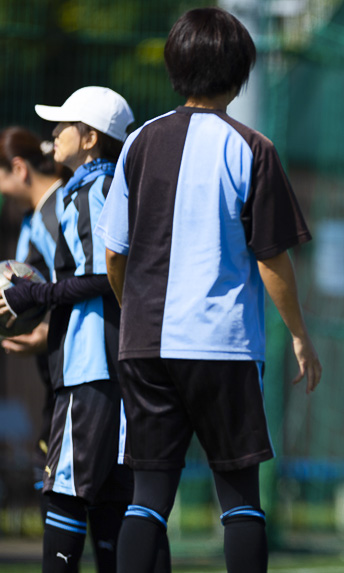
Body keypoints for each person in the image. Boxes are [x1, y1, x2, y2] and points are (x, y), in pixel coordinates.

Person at [94, 7, 322, 573]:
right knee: (240, 498)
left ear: (175, 66)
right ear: (240, 74)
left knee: (147, 497)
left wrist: (137, 314)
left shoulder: (139, 142)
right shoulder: (252, 148)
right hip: (221, 346)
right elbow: (272, 260)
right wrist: (298, 334)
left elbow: (114, 253)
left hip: (145, 345)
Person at [0, 87, 135, 572]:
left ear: (91, 138)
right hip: (99, 364)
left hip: (91, 364)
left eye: (64, 126)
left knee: (66, 493)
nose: (53, 134)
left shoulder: (95, 190)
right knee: (117, 498)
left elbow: (106, 276)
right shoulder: (89, 188)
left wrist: (34, 295)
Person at [0, 126, 66, 510]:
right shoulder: (33, 217)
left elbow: (78, 284)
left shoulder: (57, 214)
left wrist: (47, 331)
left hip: (77, 374)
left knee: (68, 501)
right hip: (53, 375)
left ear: (20, 168)